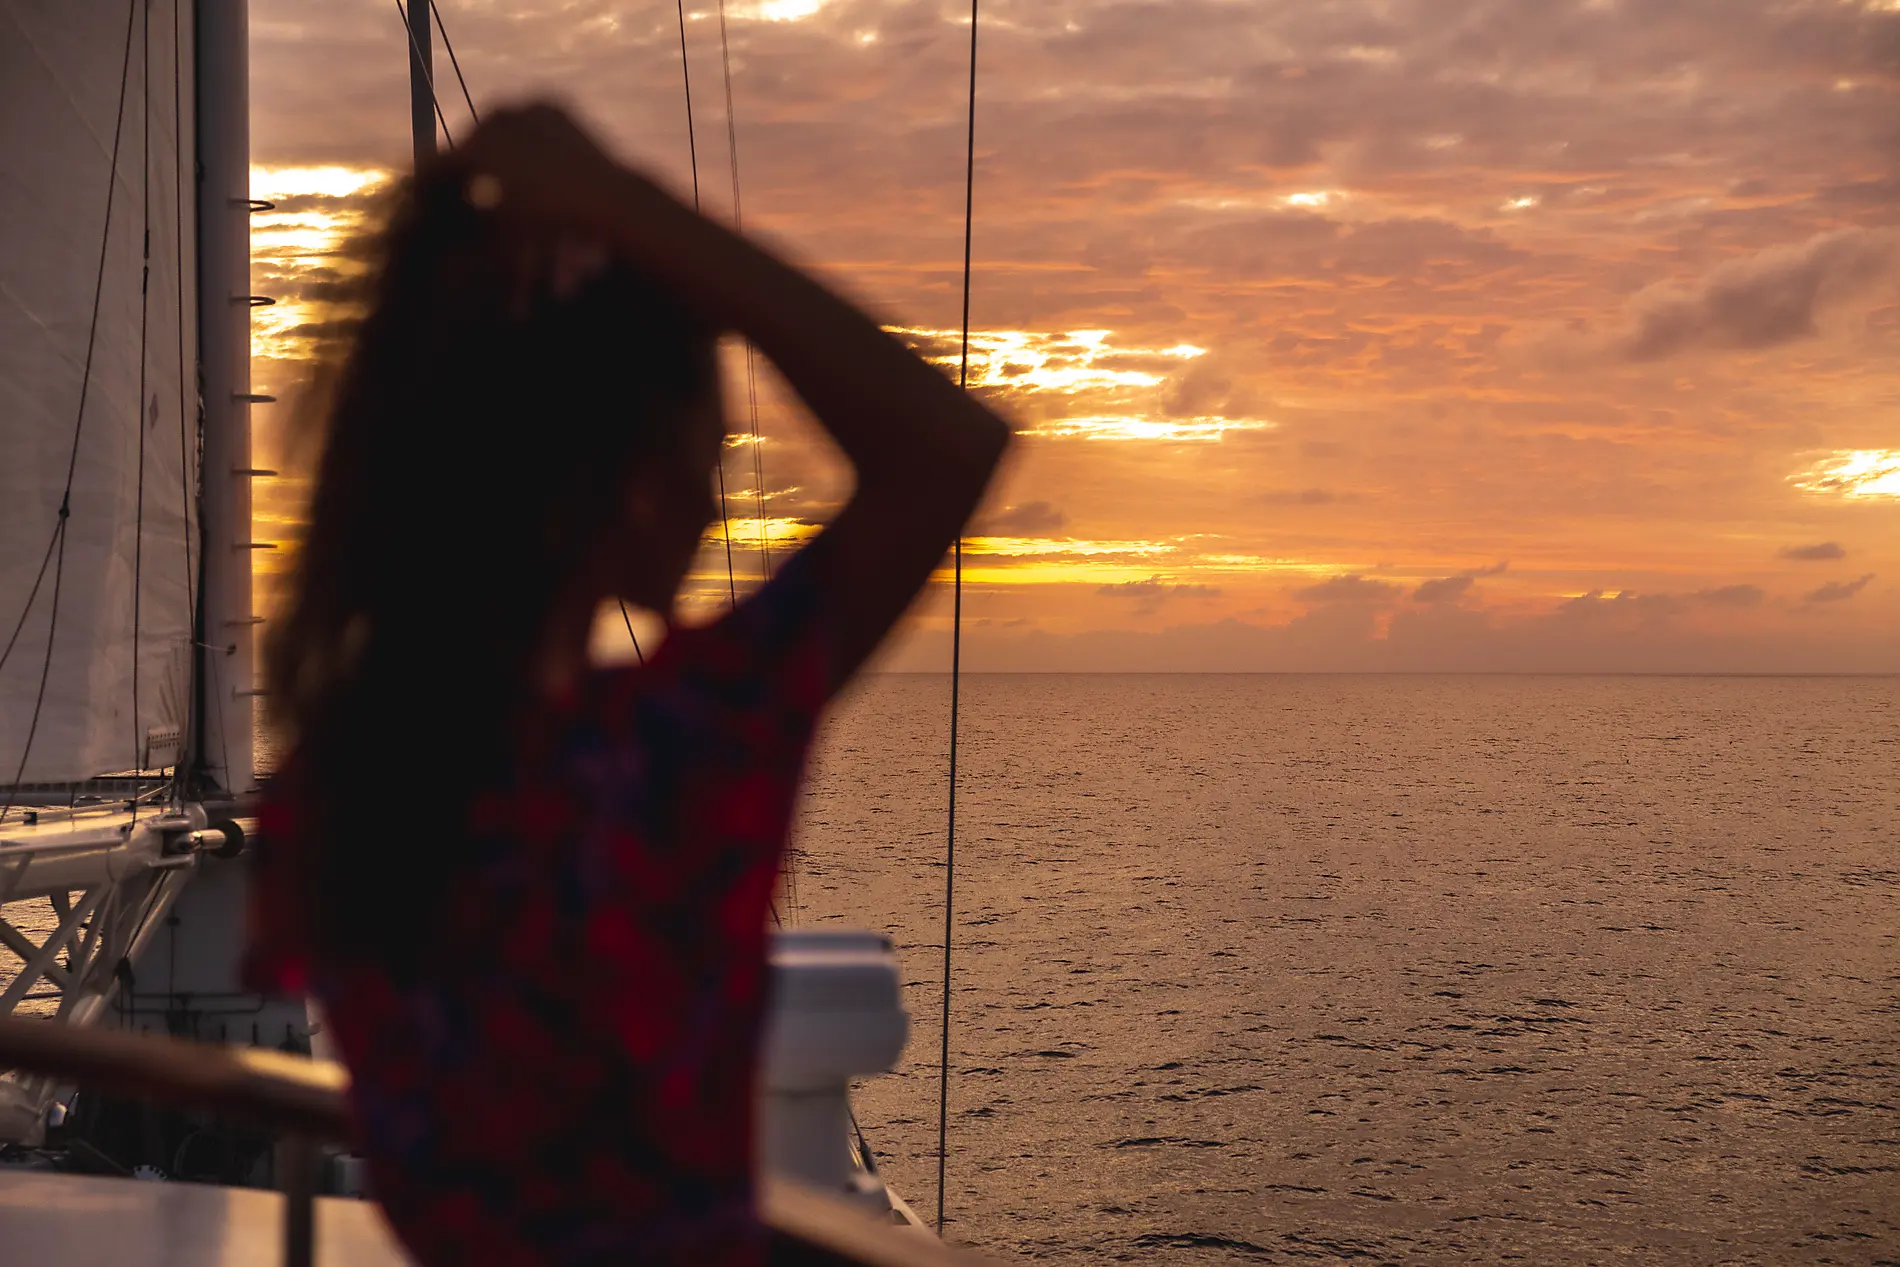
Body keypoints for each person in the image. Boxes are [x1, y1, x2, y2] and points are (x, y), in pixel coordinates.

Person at [250, 103, 1011, 1265]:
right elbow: (944, 449)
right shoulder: (664, 756)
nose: (713, 503)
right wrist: (630, 205)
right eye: (705, 455)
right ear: (624, 478)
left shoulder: (332, 794)